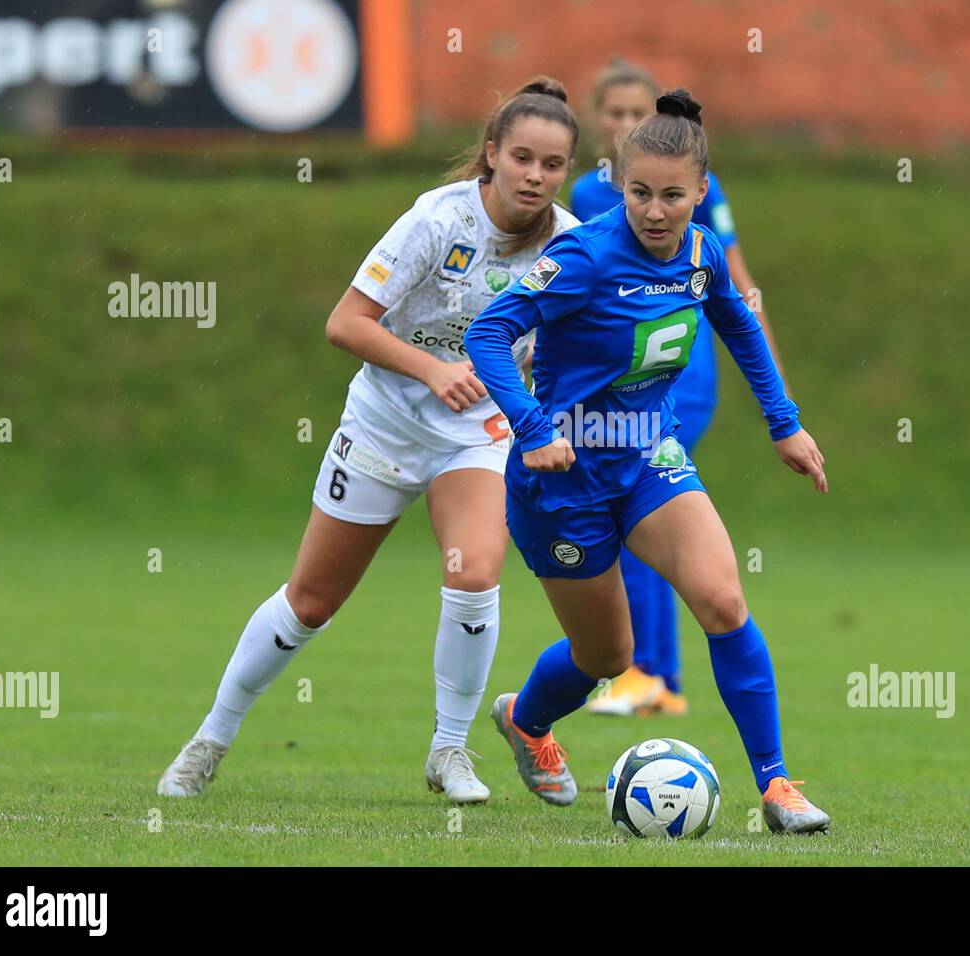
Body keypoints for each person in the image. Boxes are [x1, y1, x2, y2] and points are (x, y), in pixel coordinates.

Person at [155, 78, 580, 805]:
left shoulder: (571, 245)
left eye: (552, 164)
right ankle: (210, 740)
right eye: (522, 158)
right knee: (311, 602)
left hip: (475, 435)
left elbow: (563, 346)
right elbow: (345, 323)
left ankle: (450, 751)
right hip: (384, 425)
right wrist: (432, 369)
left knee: (475, 573)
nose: (536, 176)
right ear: (491, 156)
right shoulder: (436, 220)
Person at [464, 89, 831, 833]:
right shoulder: (584, 256)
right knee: (606, 655)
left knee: (724, 602)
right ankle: (525, 720)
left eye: (672, 195)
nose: (655, 211)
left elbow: (738, 322)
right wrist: (533, 427)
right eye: (639, 193)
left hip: (647, 460)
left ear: (702, 191)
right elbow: (487, 335)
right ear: (618, 185)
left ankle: (777, 785)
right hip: (561, 482)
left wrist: (783, 424)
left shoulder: (700, 253)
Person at [570, 59, 789, 717]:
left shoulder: (701, 188)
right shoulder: (586, 195)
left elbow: (734, 279)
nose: (628, 124)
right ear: (597, 121)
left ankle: (648, 673)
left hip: (678, 381)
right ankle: (658, 677)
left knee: (638, 509)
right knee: (642, 515)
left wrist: (771, 385)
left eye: (642, 114)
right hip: (613, 386)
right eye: (616, 114)